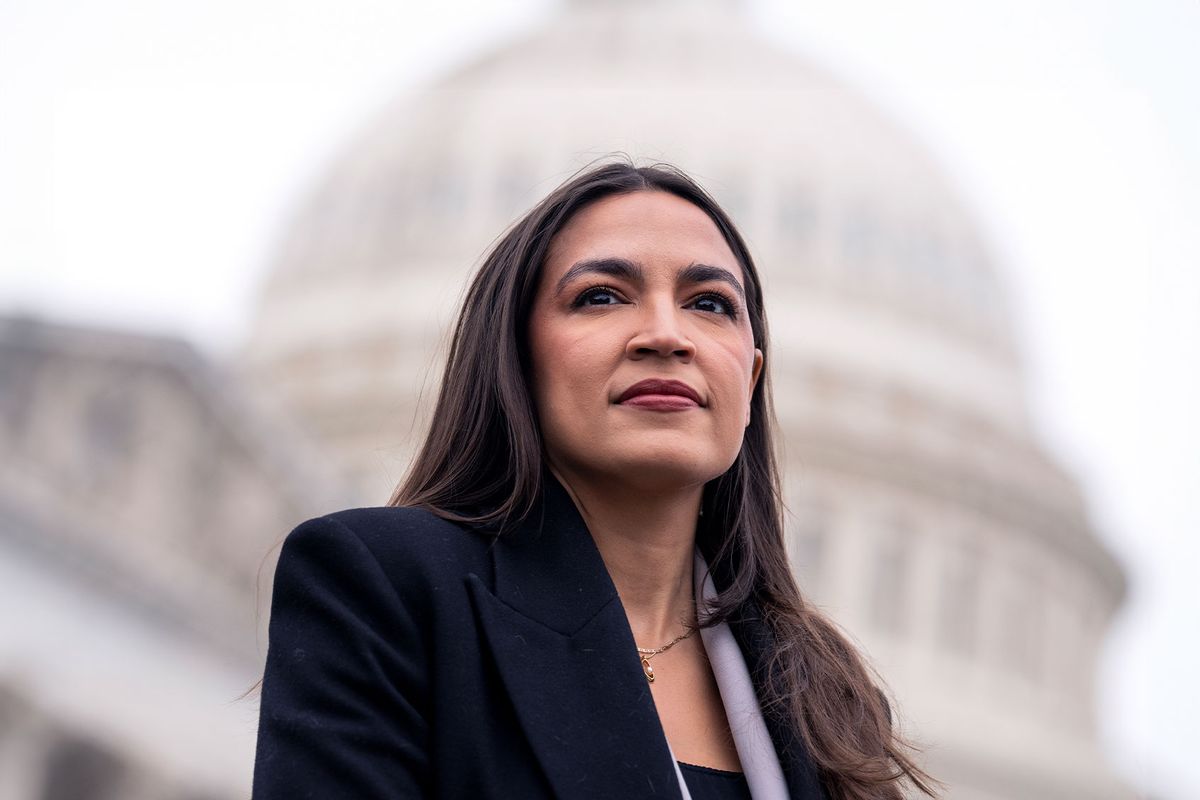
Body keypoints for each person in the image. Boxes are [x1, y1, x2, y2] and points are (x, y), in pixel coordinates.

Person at [252, 162, 937, 799]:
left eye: (710, 304)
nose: (667, 335)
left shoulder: (826, 695)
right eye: (602, 296)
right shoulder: (389, 590)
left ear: (750, 378)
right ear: (517, 357)